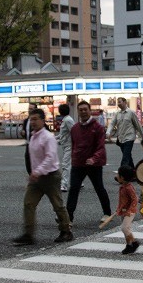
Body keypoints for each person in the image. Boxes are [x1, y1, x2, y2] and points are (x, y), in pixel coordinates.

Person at [12, 109, 73, 245]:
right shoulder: (33, 136)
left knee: (58, 205)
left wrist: (37, 171)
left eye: (35, 119)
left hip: (50, 176)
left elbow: (50, 158)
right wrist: (33, 172)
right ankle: (28, 234)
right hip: (37, 178)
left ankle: (66, 231)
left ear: (42, 120)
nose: (32, 122)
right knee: (28, 203)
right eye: (31, 119)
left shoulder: (48, 137)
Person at [66, 101, 113, 224]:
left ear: (90, 110)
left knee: (99, 188)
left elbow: (101, 146)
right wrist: (74, 158)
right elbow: (74, 145)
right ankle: (68, 216)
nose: (83, 112)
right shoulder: (75, 128)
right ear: (78, 111)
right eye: (80, 110)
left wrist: (94, 159)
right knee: (74, 188)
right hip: (78, 163)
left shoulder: (97, 127)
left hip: (94, 164)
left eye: (85, 109)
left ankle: (107, 213)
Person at [100, 166, 139, 254]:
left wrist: (130, 210)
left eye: (118, 174)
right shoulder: (123, 186)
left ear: (123, 178)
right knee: (127, 229)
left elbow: (135, 199)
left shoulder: (129, 188)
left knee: (124, 228)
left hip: (130, 212)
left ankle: (134, 242)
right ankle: (129, 245)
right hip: (124, 211)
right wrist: (119, 209)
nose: (116, 175)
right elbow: (123, 201)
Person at [106, 97, 143, 169]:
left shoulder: (131, 113)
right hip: (121, 138)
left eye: (120, 102)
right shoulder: (117, 113)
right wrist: (108, 132)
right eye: (118, 102)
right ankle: (133, 172)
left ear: (125, 102)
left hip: (129, 138)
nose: (118, 104)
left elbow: (138, 125)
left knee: (125, 157)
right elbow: (112, 123)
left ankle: (121, 174)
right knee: (128, 156)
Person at [57, 104, 74, 192]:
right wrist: (55, 138)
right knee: (72, 164)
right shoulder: (66, 120)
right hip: (66, 145)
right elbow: (63, 134)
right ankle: (79, 182)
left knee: (65, 164)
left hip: (69, 146)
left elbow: (74, 132)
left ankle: (64, 185)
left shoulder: (68, 120)